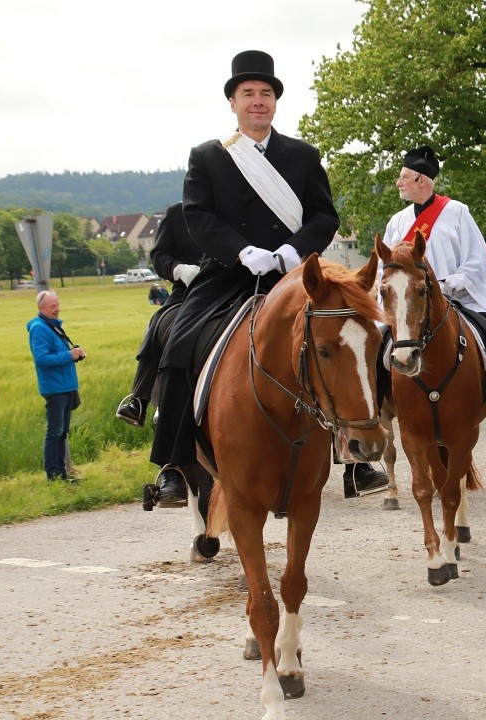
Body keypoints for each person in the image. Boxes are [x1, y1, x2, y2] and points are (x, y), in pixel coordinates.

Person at [151, 49, 358, 506]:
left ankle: (359, 452)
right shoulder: (207, 156)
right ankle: (174, 460)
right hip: (227, 274)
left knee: (350, 334)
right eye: (248, 93)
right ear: (233, 102)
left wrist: (291, 250)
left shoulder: (303, 156)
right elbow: (197, 215)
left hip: (293, 274)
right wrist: (242, 251)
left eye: (266, 93)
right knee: (179, 343)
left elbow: (325, 215)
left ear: (275, 102)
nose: (257, 101)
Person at [381, 145, 486, 429]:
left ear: (421, 179)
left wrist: (447, 285)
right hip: (410, 304)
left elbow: (476, 260)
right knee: (376, 341)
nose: (399, 182)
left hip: (458, 300)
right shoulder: (398, 221)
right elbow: (388, 267)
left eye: (404, 177)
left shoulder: (457, 213)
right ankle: (372, 410)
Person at [115, 202, 202, 428]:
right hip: (188, 288)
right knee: (159, 323)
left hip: (232, 285)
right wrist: (178, 269)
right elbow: (159, 254)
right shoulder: (176, 214)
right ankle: (139, 399)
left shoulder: (231, 208)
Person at [27, 290, 85, 483]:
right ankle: (54, 475)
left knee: (62, 432)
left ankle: (62, 474)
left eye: (57, 305)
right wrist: (69, 355)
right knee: (55, 432)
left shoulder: (52, 326)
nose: (57, 309)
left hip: (65, 385)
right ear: (40, 308)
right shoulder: (39, 327)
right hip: (55, 388)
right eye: (52, 306)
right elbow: (41, 359)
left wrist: (73, 353)